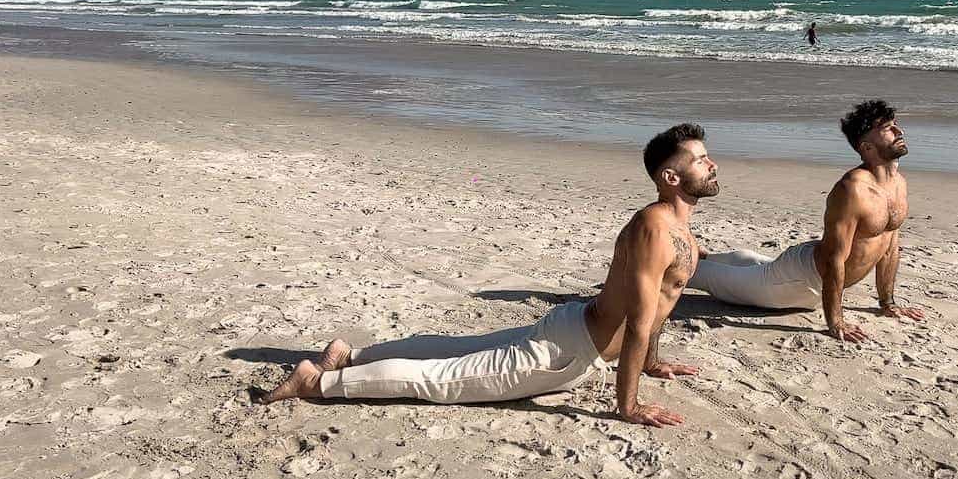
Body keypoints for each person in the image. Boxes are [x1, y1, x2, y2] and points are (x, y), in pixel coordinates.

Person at [253, 123, 718, 428]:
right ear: (670, 178)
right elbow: (639, 321)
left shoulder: (683, 232)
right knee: (443, 379)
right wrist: (628, 407)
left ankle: (349, 355)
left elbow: (659, 307)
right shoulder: (654, 229)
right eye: (699, 159)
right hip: (567, 351)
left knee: (461, 350)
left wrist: (653, 362)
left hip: (575, 331)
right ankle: (317, 383)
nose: (711, 163)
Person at [690, 99, 921, 343]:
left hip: (806, 273)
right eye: (887, 128)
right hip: (795, 282)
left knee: (752, 266)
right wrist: (836, 321)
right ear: (867, 146)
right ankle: (672, 260)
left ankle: (704, 255)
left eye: (895, 124)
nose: (899, 131)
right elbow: (834, 259)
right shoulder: (853, 190)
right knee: (694, 274)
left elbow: (889, 247)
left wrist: (888, 303)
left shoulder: (898, 183)